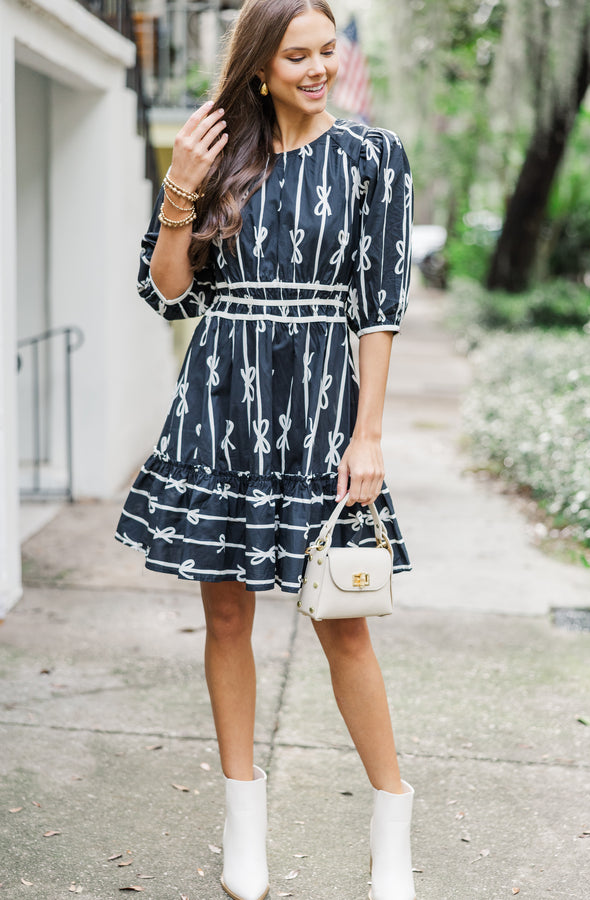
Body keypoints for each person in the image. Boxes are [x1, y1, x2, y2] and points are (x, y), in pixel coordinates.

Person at [115, 0, 415, 897]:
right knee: (226, 615)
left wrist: (368, 435)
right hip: (222, 402)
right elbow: (168, 291)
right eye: (298, 55)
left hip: (324, 407)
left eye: (327, 51)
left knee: (343, 620)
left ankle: (391, 822)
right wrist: (179, 189)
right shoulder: (219, 155)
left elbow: (380, 306)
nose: (319, 68)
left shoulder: (372, 157)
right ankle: (244, 819)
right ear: (258, 67)